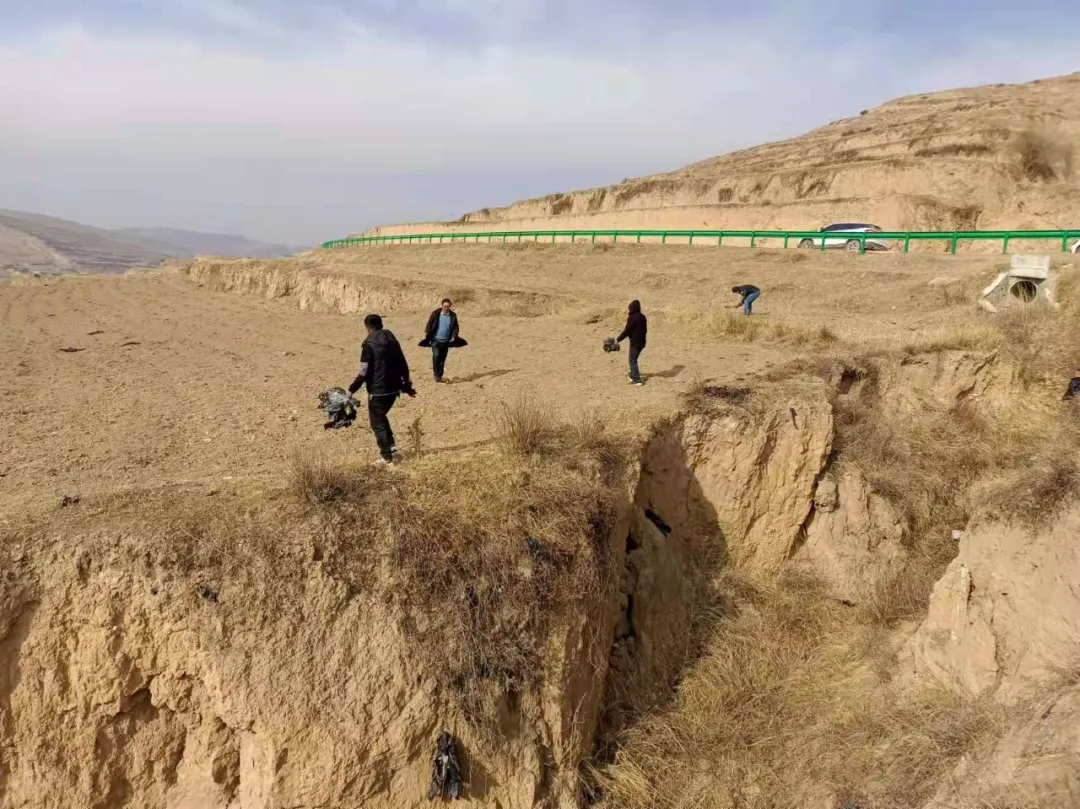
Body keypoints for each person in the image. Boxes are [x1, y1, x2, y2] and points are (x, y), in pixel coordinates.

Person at [347, 314, 416, 465]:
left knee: (377, 422)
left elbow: (363, 372)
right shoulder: (392, 340)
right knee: (381, 416)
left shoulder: (369, 345)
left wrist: (352, 389)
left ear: (367, 328)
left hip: (378, 391)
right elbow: (402, 364)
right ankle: (392, 449)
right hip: (393, 389)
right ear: (381, 324)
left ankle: (387, 459)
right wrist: (406, 386)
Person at [420, 298, 460, 383]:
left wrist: (454, 336)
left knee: (442, 359)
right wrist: (427, 333)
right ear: (442, 306)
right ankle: (436, 374)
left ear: (450, 307)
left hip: (446, 341)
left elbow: (455, 327)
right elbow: (430, 323)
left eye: (448, 306)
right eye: (444, 306)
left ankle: (439, 376)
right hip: (435, 340)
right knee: (436, 356)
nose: (446, 308)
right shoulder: (436, 313)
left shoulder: (452, 316)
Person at [616, 299, 647, 386]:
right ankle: (633, 374)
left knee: (632, 360)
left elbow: (627, 331)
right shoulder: (643, 317)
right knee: (634, 359)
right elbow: (645, 330)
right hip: (642, 343)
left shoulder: (632, 318)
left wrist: (617, 340)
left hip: (635, 343)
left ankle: (637, 380)